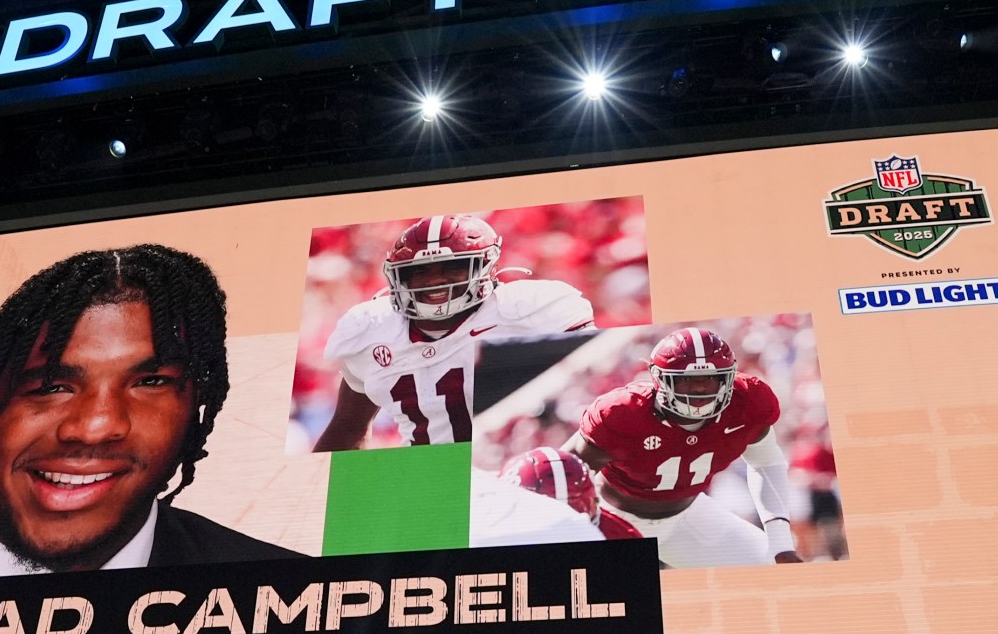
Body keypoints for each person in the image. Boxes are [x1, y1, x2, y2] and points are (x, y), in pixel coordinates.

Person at [0, 244, 297, 585]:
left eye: (150, 382)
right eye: (50, 386)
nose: (95, 426)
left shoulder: (279, 589)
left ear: (195, 409)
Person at [311, 213, 595, 450]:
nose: (434, 281)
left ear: (486, 266)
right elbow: (348, 427)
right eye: (419, 271)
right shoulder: (372, 326)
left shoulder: (531, 308)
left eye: (453, 267)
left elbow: (598, 382)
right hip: (430, 478)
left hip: (522, 464)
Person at [566, 326, 802, 568]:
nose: (699, 388)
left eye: (710, 379)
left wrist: (780, 541)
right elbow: (563, 474)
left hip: (685, 518)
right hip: (611, 519)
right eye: (686, 379)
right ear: (659, 379)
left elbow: (766, 463)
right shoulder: (621, 413)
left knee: (777, 570)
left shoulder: (748, 402)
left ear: (728, 378)